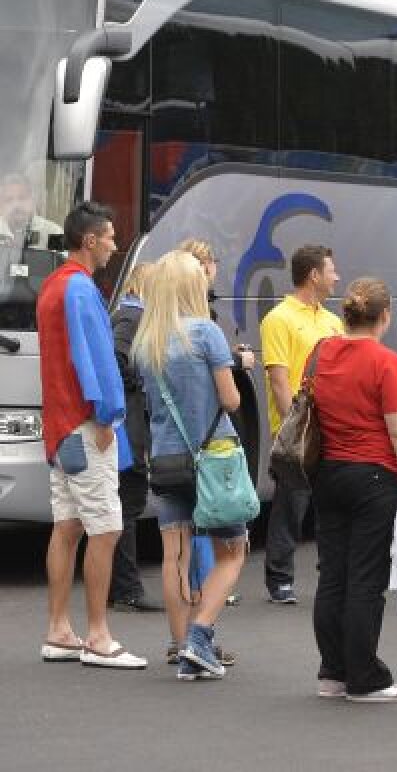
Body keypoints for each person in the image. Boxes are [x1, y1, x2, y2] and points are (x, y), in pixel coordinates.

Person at [310, 278, 397, 703]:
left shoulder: (321, 352)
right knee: (365, 578)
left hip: (328, 472)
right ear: (385, 316)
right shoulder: (386, 361)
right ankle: (365, 677)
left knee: (333, 575)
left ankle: (333, 671)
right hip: (374, 477)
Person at [36, 200, 146, 668]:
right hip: (86, 424)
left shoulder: (52, 285)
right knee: (106, 527)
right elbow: (96, 359)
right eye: (110, 237)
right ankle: (99, 637)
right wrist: (107, 416)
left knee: (67, 527)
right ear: (90, 240)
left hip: (60, 427)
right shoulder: (81, 289)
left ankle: (59, 630)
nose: (114, 246)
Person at [134, 250, 250, 679]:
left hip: (166, 458)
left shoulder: (147, 342)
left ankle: (181, 644)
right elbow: (231, 400)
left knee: (175, 556)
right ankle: (200, 637)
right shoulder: (206, 333)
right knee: (233, 551)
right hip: (213, 456)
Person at [260, 244, 343, 604]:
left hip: (331, 427)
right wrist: (291, 430)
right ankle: (279, 579)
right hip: (299, 429)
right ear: (314, 275)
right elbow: (279, 380)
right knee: (290, 505)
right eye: (331, 270)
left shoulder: (333, 321)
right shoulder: (278, 319)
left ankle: (332, 574)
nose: (336, 277)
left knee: (331, 507)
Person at [180, 238, 254, 606]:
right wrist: (237, 362)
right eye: (211, 263)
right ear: (203, 268)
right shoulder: (203, 322)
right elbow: (228, 396)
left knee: (179, 537)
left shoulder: (163, 322)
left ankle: (193, 596)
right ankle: (208, 594)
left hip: (173, 440)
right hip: (209, 436)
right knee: (218, 519)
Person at [107, 262, 163, 613]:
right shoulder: (133, 316)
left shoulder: (126, 313)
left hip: (127, 425)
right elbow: (116, 358)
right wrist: (140, 382)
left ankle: (120, 586)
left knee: (124, 506)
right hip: (131, 427)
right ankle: (126, 588)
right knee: (127, 504)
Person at [0, 171, 63, 249]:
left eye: (22, 198)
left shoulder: (53, 232)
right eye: (9, 200)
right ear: (1, 205)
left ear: (32, 200)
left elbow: (60, 256)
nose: (16, 205)